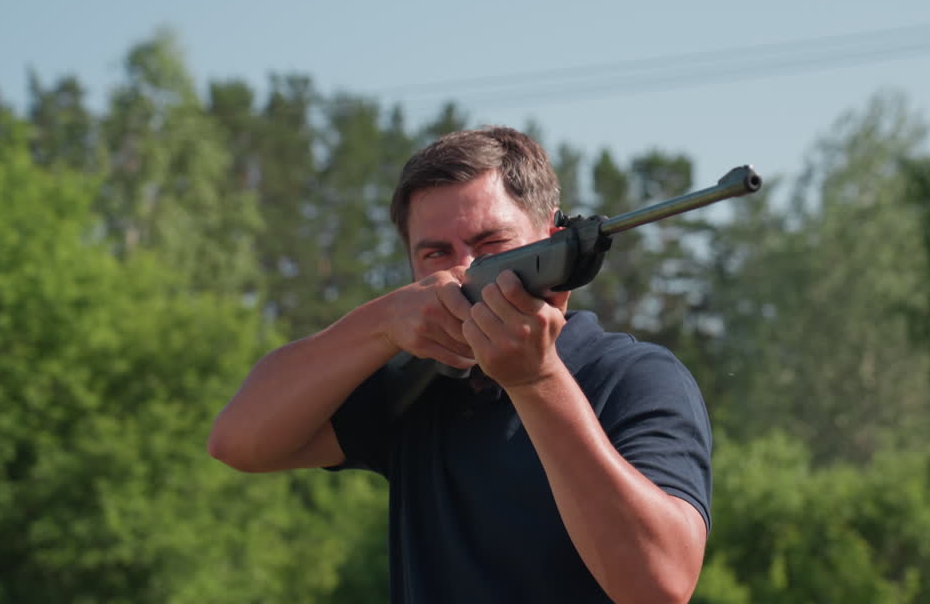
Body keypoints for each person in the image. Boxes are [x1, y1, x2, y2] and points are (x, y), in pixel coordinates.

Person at [207, 127, 712, 603]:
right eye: (434, 253)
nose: (464, 271)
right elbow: (238, 441)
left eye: (492, 245)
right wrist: (382, 323)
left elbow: (659, 585)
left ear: (554, 238)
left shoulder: (634, 377)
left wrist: (536, 381)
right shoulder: (421, 381)